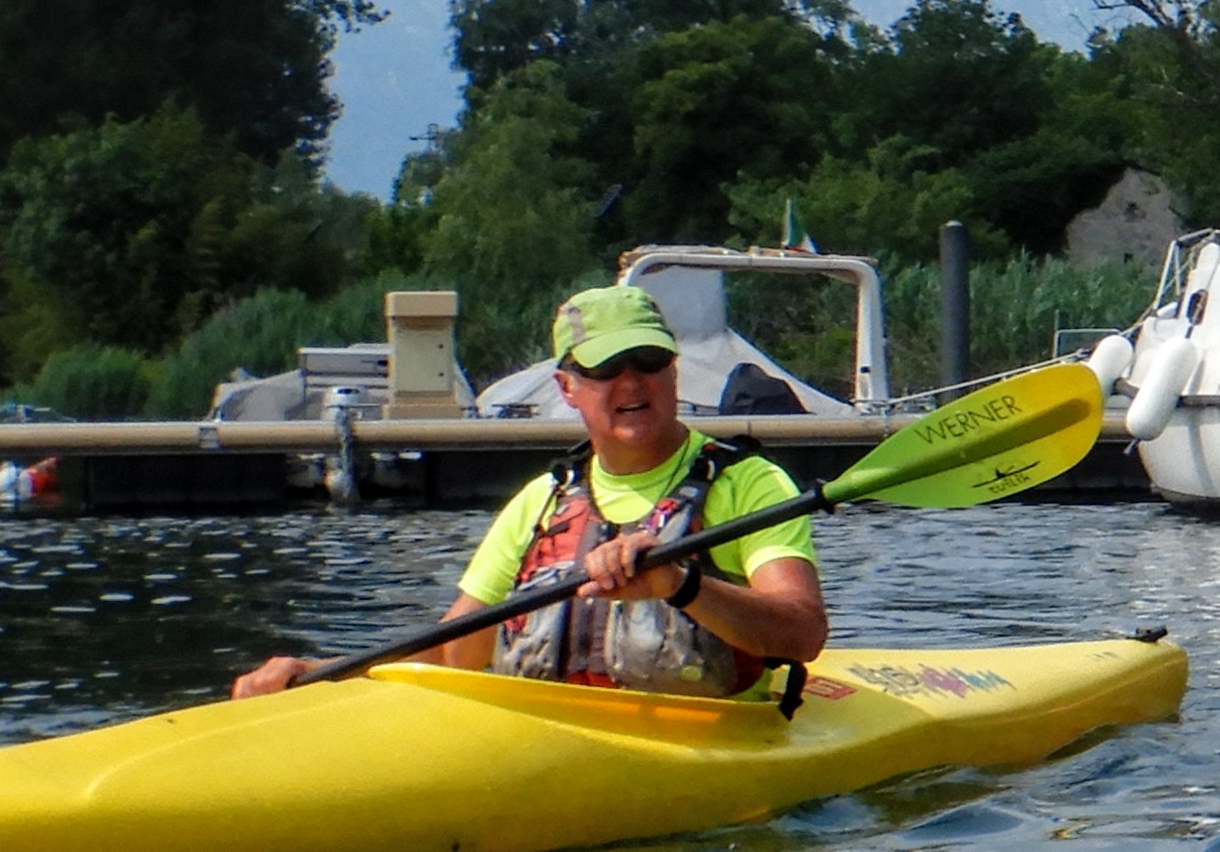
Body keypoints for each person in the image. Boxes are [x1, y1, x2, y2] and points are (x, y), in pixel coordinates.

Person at [232, 284, 829, 700]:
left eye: (648, 360)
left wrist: (681, 584)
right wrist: (320, 672)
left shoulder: (748, 483)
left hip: (712, 740)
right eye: (605, 368)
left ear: (672, 371)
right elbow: (450, 655)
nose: (631, 382)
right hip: (555, 735)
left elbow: (802, 634)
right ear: (567, 387)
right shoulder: (542, 501)